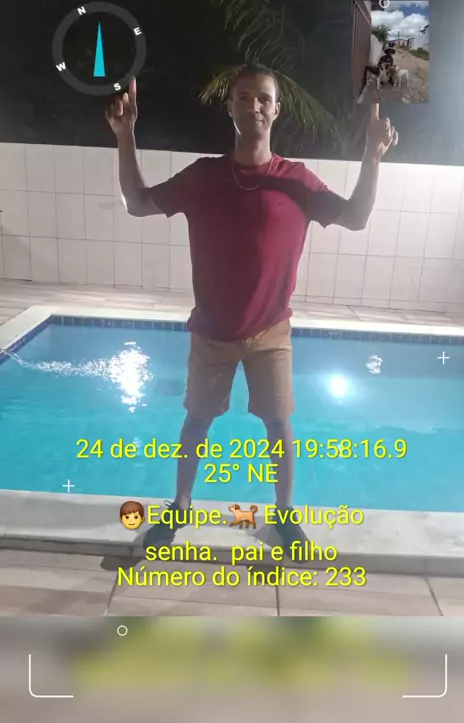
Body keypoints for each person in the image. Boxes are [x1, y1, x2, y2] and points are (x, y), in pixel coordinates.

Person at [105, 64, 398, 551]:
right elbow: (137, 202)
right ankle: (180, 505)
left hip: (271, 332)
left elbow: (356, 217)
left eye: (264, 98)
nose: (254, 106)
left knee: (279, 425)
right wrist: (124, 136)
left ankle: (283, 514)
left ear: (276, 110)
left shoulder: (296, 180)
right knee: (196, 422)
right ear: (230, 107)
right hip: (212, 331)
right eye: (244, 97)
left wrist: (372, 155)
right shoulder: (204, 176)